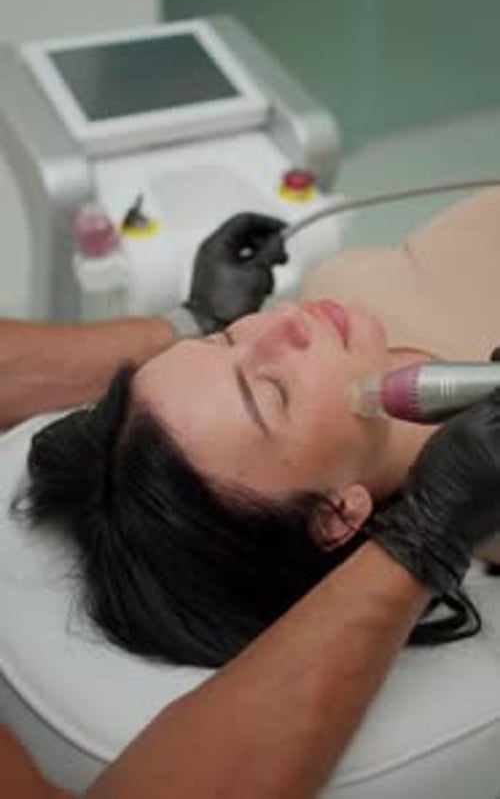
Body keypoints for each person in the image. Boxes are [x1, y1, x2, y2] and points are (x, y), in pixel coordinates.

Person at [3, 202, 500, 797]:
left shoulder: (346, 289)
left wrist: (193, 318)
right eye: (273, 391)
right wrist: (425, 534)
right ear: (340, 513)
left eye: (227, 338)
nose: (279, 320)